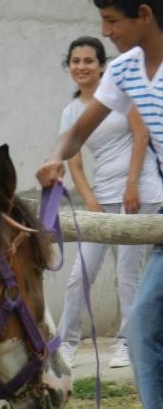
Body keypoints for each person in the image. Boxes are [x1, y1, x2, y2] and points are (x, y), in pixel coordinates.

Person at [36, 0, 163, 405]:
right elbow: (77, 133)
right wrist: (55, 158)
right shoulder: (126, 71)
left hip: (149, 200)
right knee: (145, 325)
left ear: (144, 14)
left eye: (112, 20)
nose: (105, 31)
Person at [54, 36, 163, 370]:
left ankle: (125, 343)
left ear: (102, 66)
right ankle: (65, 343)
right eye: (76, 61)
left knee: (127, 273)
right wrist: (90, 200)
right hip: (101, 199)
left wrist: (132, 185)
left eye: (89, 61)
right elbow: (73, 161)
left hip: (138, 193)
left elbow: (141, 137)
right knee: (80, 274)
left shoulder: (124, 98)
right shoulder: (71, 111)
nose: (82, 67)